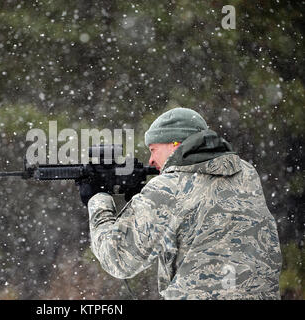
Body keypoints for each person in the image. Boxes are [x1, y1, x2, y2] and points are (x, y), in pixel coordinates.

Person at [80, 107, 282, 299]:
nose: (150, 160)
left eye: (153, 149)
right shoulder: (246, 173)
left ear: (175, 145)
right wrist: (141, 199)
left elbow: (117, 259)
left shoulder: (168, 189)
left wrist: (98, 198)